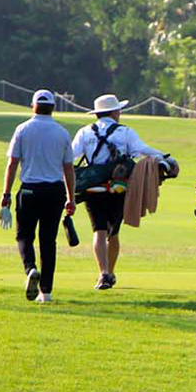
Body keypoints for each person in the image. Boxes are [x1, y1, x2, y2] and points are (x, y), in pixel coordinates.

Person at [71, 94, 168, 290]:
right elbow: (143, 150)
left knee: (98, 230)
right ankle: (109, 272)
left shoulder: (84, 132)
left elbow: (71, 155)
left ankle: (103, 273)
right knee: (113, 232)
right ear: (115, 112)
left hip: (92, 187)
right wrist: (164, 158)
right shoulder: (125, 132)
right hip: (118, 188)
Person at [0, 89, 76, 304]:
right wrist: (71, 197)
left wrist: (6, 194)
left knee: (24, 236)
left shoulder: (22, 130)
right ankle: (46, 292)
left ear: (33, 106)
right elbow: (68, 168)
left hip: (29, 190)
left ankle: (31, 268)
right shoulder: (62, 132)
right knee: (48, 241)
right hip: (55, 191)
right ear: (52, 107)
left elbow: (12, 164)